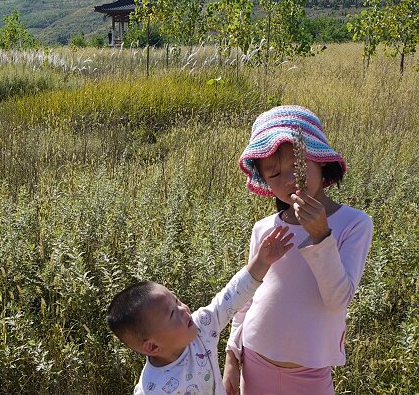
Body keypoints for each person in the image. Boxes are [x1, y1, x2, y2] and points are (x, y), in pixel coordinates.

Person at [223, 105, 373, 395]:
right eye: (274, 173)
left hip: (311, 373)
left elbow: (337, 299)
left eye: (298, 166)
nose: (289, 179)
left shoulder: (353, 223)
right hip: (255, 362)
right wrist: (232, 355)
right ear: (264, 181)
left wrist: (321, 236)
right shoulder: (264, 228)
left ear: (319, 160)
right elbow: (246, 297)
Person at [107, 226, 295, 395]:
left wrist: (261, 261)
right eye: (172, 313)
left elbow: (229, 297)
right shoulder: (153, 389)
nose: (183, 309)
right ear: (152, 347)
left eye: (177, 300)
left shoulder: (201, 329)